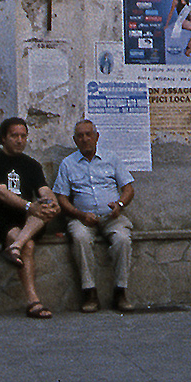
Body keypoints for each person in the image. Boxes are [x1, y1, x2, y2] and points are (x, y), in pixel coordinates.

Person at [0, 118, 57, 318]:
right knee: (28, 246)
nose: (20, 140)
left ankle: (14, 247)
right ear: (3, 138)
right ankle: (33, 301)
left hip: (28, 220)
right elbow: (2, 193)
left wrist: (51, 201)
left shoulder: (31, 165)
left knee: (44, 211)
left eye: (23, 136)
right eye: (14, 136)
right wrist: (31, 205)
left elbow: (44, 189)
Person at [53, 119, 136, 313]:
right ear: (75, 140)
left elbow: (128, 188)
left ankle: (120, 292)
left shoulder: (111, 158)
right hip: (82, 218)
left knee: (123, 239)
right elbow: (62, 198)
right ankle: (89, 292)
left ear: (97, 137)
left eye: (88, 134)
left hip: (112, 217)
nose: (85, 139)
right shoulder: (68, 164)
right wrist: (80, 214)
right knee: (80, 237)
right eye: (80, 136)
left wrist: (120, 204)